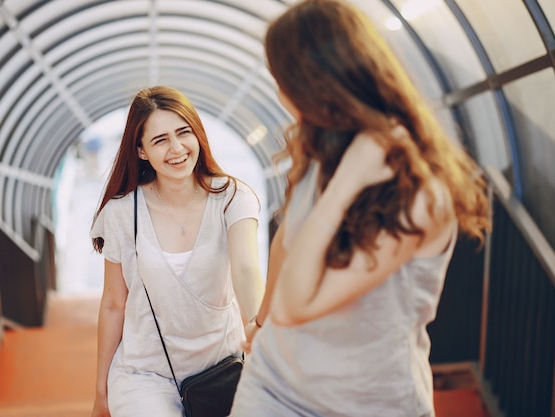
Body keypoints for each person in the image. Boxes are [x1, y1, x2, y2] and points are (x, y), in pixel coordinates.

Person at [231, 1, 490, 416]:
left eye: (283, 80)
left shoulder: (418, 192)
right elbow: (285, 243)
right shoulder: (315, 145)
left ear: (316, 87)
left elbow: (296, 305)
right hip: (274, 384)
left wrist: (346, 183)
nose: (280, 93)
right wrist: (259, 325)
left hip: (369, 402)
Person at [89, 85, 265, 417]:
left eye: (183, 132)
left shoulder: (232, 198)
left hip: (221, 370)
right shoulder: (123, 212)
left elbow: (246, 268)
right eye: (160, 140)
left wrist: (256, 323)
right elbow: (113, 303)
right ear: (141, 151)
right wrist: (101, 392)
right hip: (144, 374)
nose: (176, 148)